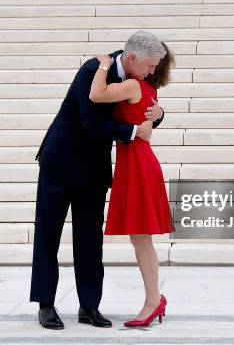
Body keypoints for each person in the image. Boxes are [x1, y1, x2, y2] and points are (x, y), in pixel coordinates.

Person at [29, 30, 167, 330]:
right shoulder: (94, 69)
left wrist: (158, 114)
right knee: (48, 234)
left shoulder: (133, 75)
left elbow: (142, 102)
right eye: (149, 65)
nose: (151, 71)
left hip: (94, 168)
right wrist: (133, 132)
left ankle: (89, 306)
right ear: (131, 58)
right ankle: (46, 304)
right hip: (61, 161)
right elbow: (91, 122)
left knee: (90, 239)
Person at [89, 39, 175, 328]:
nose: (151, 71)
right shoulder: (147, 88)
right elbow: (149, 116)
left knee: (141, 238)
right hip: (137, 162)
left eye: (154, 67)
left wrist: (103, 64)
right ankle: (155, 298)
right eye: (150, 65)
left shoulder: (134, 86)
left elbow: (97, 95)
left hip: (137, 164)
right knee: (141, 239)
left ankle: (153, 300)